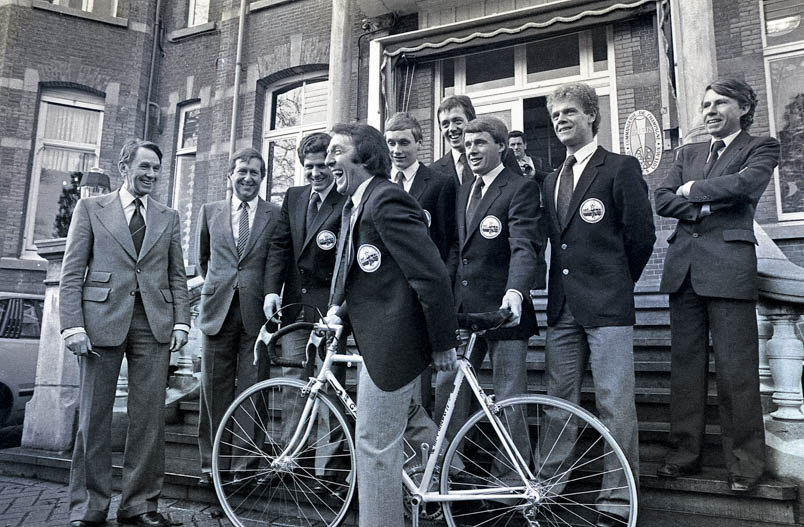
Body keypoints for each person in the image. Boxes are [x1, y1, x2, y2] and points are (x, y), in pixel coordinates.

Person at [324, 123, 459, 527]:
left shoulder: (385, 200)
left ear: (364, 157)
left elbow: (430, 273)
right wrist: (340, 314)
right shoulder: (360, 203)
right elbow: (377, 277)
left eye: (336, 151)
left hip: (395, 343)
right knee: (385, 439)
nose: (329, 160)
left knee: (375, 446)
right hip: (380, 340)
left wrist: (442, 342)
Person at [655, 78, 780, 493]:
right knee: (686, 371)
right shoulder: (687, 151)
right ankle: (683, 455)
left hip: (729, 269)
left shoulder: (761, 147)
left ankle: (745, 465)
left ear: (743, 108)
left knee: (736, 373)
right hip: (684, 270)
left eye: (720, 103)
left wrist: (691, 192)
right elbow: (662, 198)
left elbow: (746, 185)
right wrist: (707, 203)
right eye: (705, 104)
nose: (709, 111)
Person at [540, 82, 655, 527]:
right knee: (557, 403)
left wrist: (617, 283)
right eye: (555, 116)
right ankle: (547, 486)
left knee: (614, 403)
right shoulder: (552, 178)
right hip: (562, 308)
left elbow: (640, 236)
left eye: (570, 112)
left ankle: (618, 500)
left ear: (592, 116)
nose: (561, 120)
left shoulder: (619, 168)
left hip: (607, 306)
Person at [60, 139, 190, 527]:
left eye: (156, 169)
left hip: (154, 323)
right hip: (99, 323)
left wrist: (182, 321)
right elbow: (71, 272)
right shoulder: (89, 209)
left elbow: (177, 275)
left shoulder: (168, 216)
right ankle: (89, 508)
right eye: (144, 167)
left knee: (149, 418)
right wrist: (72, 326)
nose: (150, 175)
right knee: (94, 419)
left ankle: (140, 506)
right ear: (124, 167)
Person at [433, 116, 543, 482]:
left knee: (510, 397)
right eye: (467, 144)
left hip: (504, 312)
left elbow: (524, 246)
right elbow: (456, 251)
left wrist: (516, 292)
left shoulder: (520, 188)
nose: (472, 150)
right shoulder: (464, 189)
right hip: (464, 312)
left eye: (480, 142)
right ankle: (448, 471)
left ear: (500, 146)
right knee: (448, 390)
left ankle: (514, 478)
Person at [263, 132, 348, 494]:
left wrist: (339, 307)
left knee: (328, 384)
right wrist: (271, 291)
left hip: (331, 309)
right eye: (309, 167)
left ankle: (327, 467)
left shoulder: (346, 199)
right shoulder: (294, 197)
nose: (316, 173)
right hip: (296, 308)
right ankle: (290, 456)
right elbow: (281, 246)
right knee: (293, 383)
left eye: (323, 166)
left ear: (333, 163)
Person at [194, 147, 279, 487]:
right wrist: (222, 287)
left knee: (254, 387)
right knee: (213, 390)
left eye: (254, 172)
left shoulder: (274, 215)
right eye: (242, 171)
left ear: (262, 178)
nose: (247, 177)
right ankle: (212, 464)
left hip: (256, 315)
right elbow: (203, 260)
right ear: (229, 176)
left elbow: (277, 261)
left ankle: (248, 463)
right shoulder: (209, 211)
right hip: (217, 312)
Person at [385, 111, 458, 414]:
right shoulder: (381, 185)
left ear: (419, 143)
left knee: (428, 383)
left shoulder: (440, 184)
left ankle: (432, 454)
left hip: (426, 296)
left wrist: (445, 289)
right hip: (390, 297)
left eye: (404, 142)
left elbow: (450, 243)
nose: (397, 150)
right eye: (391, 143)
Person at [433, 95, 523, 188]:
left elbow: (519, 189)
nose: (451, 129)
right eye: (445, 124)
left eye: (457, 121)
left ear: (472, 121)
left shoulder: (503, 155)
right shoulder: (435, 171)